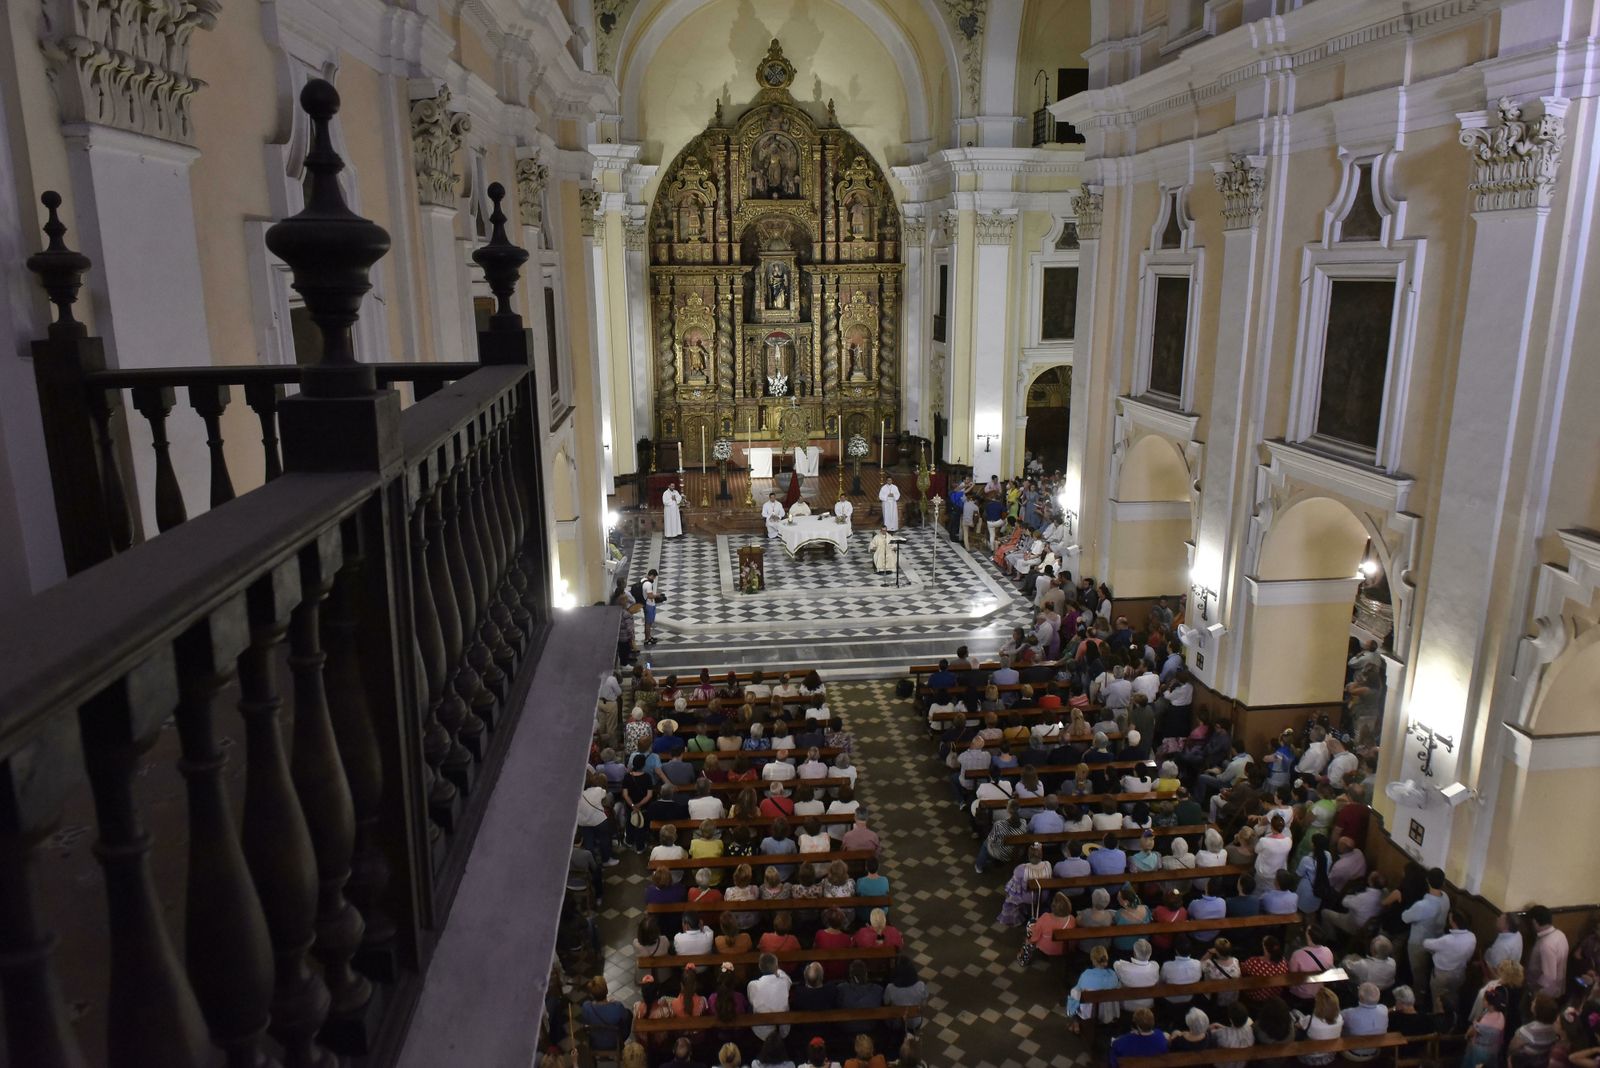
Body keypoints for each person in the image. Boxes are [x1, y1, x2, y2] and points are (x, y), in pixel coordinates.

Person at [1401, 867, 1451, 1003]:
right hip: (1438, 938)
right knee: (1428, 970)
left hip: (1419, 942)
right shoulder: (1445, 898)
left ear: (1427, 881)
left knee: (1418, 973)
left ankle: (1418, 1000)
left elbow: (1405, 917)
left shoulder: (1423, 905)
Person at [1424, 909, 1477, 1028]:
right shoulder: (1472, 937)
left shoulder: (1447, 940)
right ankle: (1453, 1021)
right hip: (1460, 973)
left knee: (1438, 1001)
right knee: (1453, 997)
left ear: (1454, 923)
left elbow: (1426, 944)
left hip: (1442, 975)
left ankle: (1437, 1025)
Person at [1288, 986, 1344, 1065]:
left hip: (1309, 1056)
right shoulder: (1340, 1018)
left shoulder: (1311, 1020)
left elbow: (1297, 1025)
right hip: (1329, 1055)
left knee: (1294, 1015)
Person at [747, 952, 794, 1041]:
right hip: (783, 1030)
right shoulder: (784, 982)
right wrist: (777, 970)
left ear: (760, 967)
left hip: (761, 1031)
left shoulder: (752, 985)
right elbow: (787, 978)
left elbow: (751, 1001)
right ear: (776, 967)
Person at [1527, 904, 1570, 1000]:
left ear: (1534, 922)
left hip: (1545, 994)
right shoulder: (1560, 934)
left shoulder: (1546, 944)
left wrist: (1535, 990)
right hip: (1557, 987)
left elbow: (1549, 976)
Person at [581, 975, 633, 1050]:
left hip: (595, 1042)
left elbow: (585, 1022)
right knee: (629, 1013)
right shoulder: (617, 1007)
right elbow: (625, 1017)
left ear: (592, 995)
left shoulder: (586, 1007)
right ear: (607, 991)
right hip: (614, 1041)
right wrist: (612, 1004)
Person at [1113, 939, 1161, 1013]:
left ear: (1134, 953)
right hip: (1148, 1005)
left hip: (1127, 1006)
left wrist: (1126, 963)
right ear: (1150, 953)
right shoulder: (1155, 966)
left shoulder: (1124, 968)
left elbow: (1115, 964)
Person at [641, 568, 662, 646]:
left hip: (646, 604)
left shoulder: (643, 580)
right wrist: (657, 595)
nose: (654, 579)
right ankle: (647, 639)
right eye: (654, 577)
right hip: (649, 605)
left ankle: (649, 637)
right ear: (652, 575)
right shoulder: (648, 584)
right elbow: (650, 596)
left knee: (648, 623)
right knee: (648, 623)